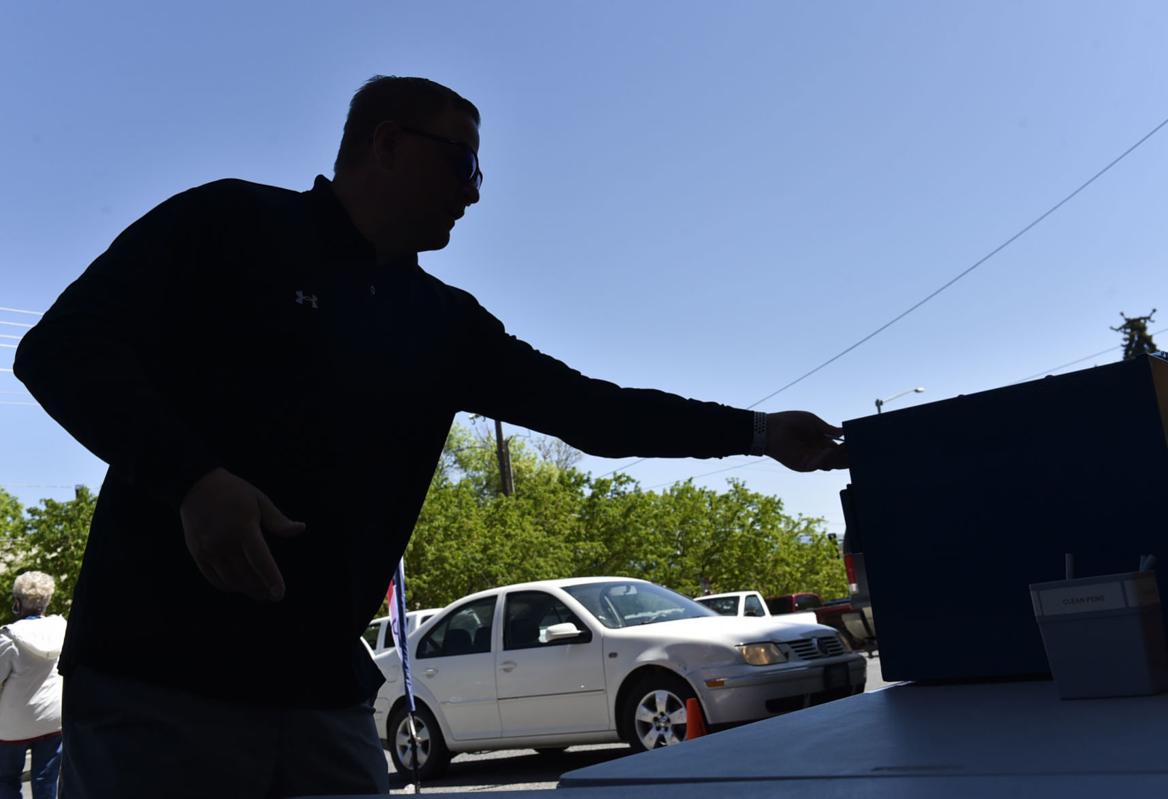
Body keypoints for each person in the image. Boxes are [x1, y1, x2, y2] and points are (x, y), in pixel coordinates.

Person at [14, 76, 847, 798]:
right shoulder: (228, 225)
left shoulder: (440, 324)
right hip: (160, 687)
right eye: (464, 161)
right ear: (386, 143)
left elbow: (593, 410)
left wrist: (757, 430)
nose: (476, 190)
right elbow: (56, 351)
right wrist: (195, 479)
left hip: (321, 697)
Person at [0, 572, 67, 799]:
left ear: (17, 603)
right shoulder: (62, 629)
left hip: (12, 727)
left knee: (6, 780)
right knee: (46, 780)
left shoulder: (9, 637)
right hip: (53, 720)